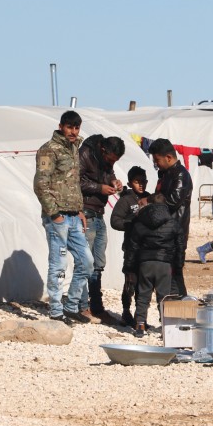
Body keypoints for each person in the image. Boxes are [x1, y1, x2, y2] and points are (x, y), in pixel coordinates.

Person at [33, 110, 93, 326]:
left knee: (87, 261)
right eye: (69, 127)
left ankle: (71, 305)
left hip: (74, 216)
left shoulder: (75, 148)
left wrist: (79, 210)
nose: (73, 132)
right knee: (58, 264)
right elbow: (41, 184)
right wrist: (54, 214)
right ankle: (56, 310)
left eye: (76, 128)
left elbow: (72, 183)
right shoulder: (49, 150)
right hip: (57, 217)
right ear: (61, 126)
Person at [79, 133, 126, 324]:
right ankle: (81, 306)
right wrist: (100, 188)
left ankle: (97, 307)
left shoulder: (106, 158)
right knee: (85, 262)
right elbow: (76, 181)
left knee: (98, 263)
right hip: (86, 212)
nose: (111, 163)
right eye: (110, 159)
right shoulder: (85, 154)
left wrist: (114, 182)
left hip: (98, 213)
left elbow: (108, 173)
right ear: (103, 150)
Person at [130, 193, 179, 337]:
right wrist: (178, 264)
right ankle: (166, 327)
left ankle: (140, 324)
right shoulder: (172, 222)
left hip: (145, 263)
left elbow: (133, 247)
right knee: (164, 297)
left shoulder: (140, 222)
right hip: (164, 263)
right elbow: (180, 245)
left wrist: (130, 267)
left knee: (143, 294)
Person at [149, 138, 192, 297]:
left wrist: (150, 200)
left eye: (157, 160)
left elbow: (172, 202)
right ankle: (170, 313)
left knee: (174, 274)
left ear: (168, 157)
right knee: (165, 274)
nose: (156, 164)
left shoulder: (181, 175)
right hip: (164, 232)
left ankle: (181, 310)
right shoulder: (166, 174)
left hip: (175, 233)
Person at [110, 166, 150, 328]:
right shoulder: (126, 200)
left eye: (143, 182)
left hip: (147, 248)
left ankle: (140, 316)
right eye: (137, 182)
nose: (141, 185)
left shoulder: (149, 198)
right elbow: (115, 221)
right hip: (131, 248)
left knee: (144, 284)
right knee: (130, 282)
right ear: (130, 183)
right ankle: (126, 311)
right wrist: (132, 222)